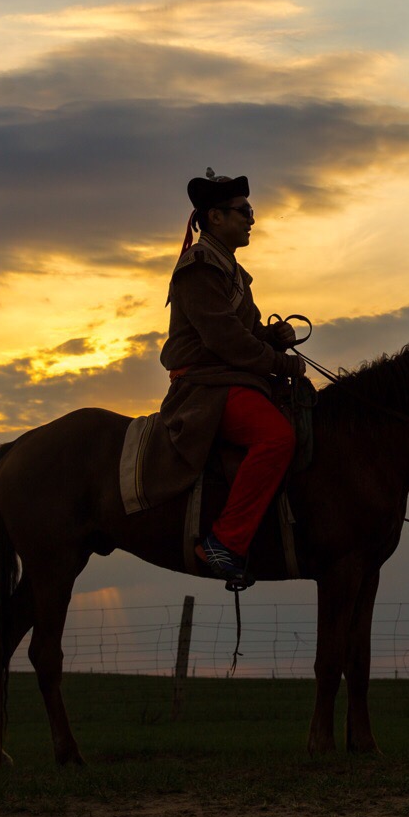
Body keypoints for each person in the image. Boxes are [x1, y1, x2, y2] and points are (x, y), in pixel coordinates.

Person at [159, 169, 305, 585]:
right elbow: (226, 341)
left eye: (251, 211)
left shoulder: (233, 272)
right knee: (277, 437)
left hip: (230, 378)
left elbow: (244, 335)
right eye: (244, 211)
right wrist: (283, 363)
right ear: (215, 217)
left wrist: (272, 337)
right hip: (206, 386)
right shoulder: (200, 266)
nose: (252, 219)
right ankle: (225, 542)